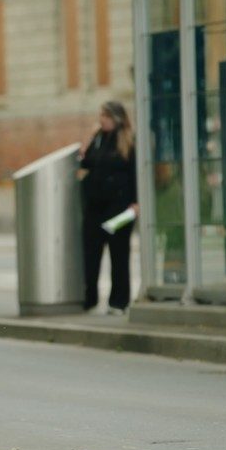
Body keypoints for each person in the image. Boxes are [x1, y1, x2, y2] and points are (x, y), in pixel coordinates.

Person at [79, 100, 138, 314]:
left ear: (116, 118)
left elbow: (134, 173)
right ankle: (89, 298)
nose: (101, 119)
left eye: (105, 116)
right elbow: (85, 163)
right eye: (100, 115)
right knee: (90, 255)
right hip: (95, 206)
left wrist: (136, 202)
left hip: (119, 208)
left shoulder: (128, 141)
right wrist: (88, 140)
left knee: (119, 256)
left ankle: (119, 302)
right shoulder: (98, 138)